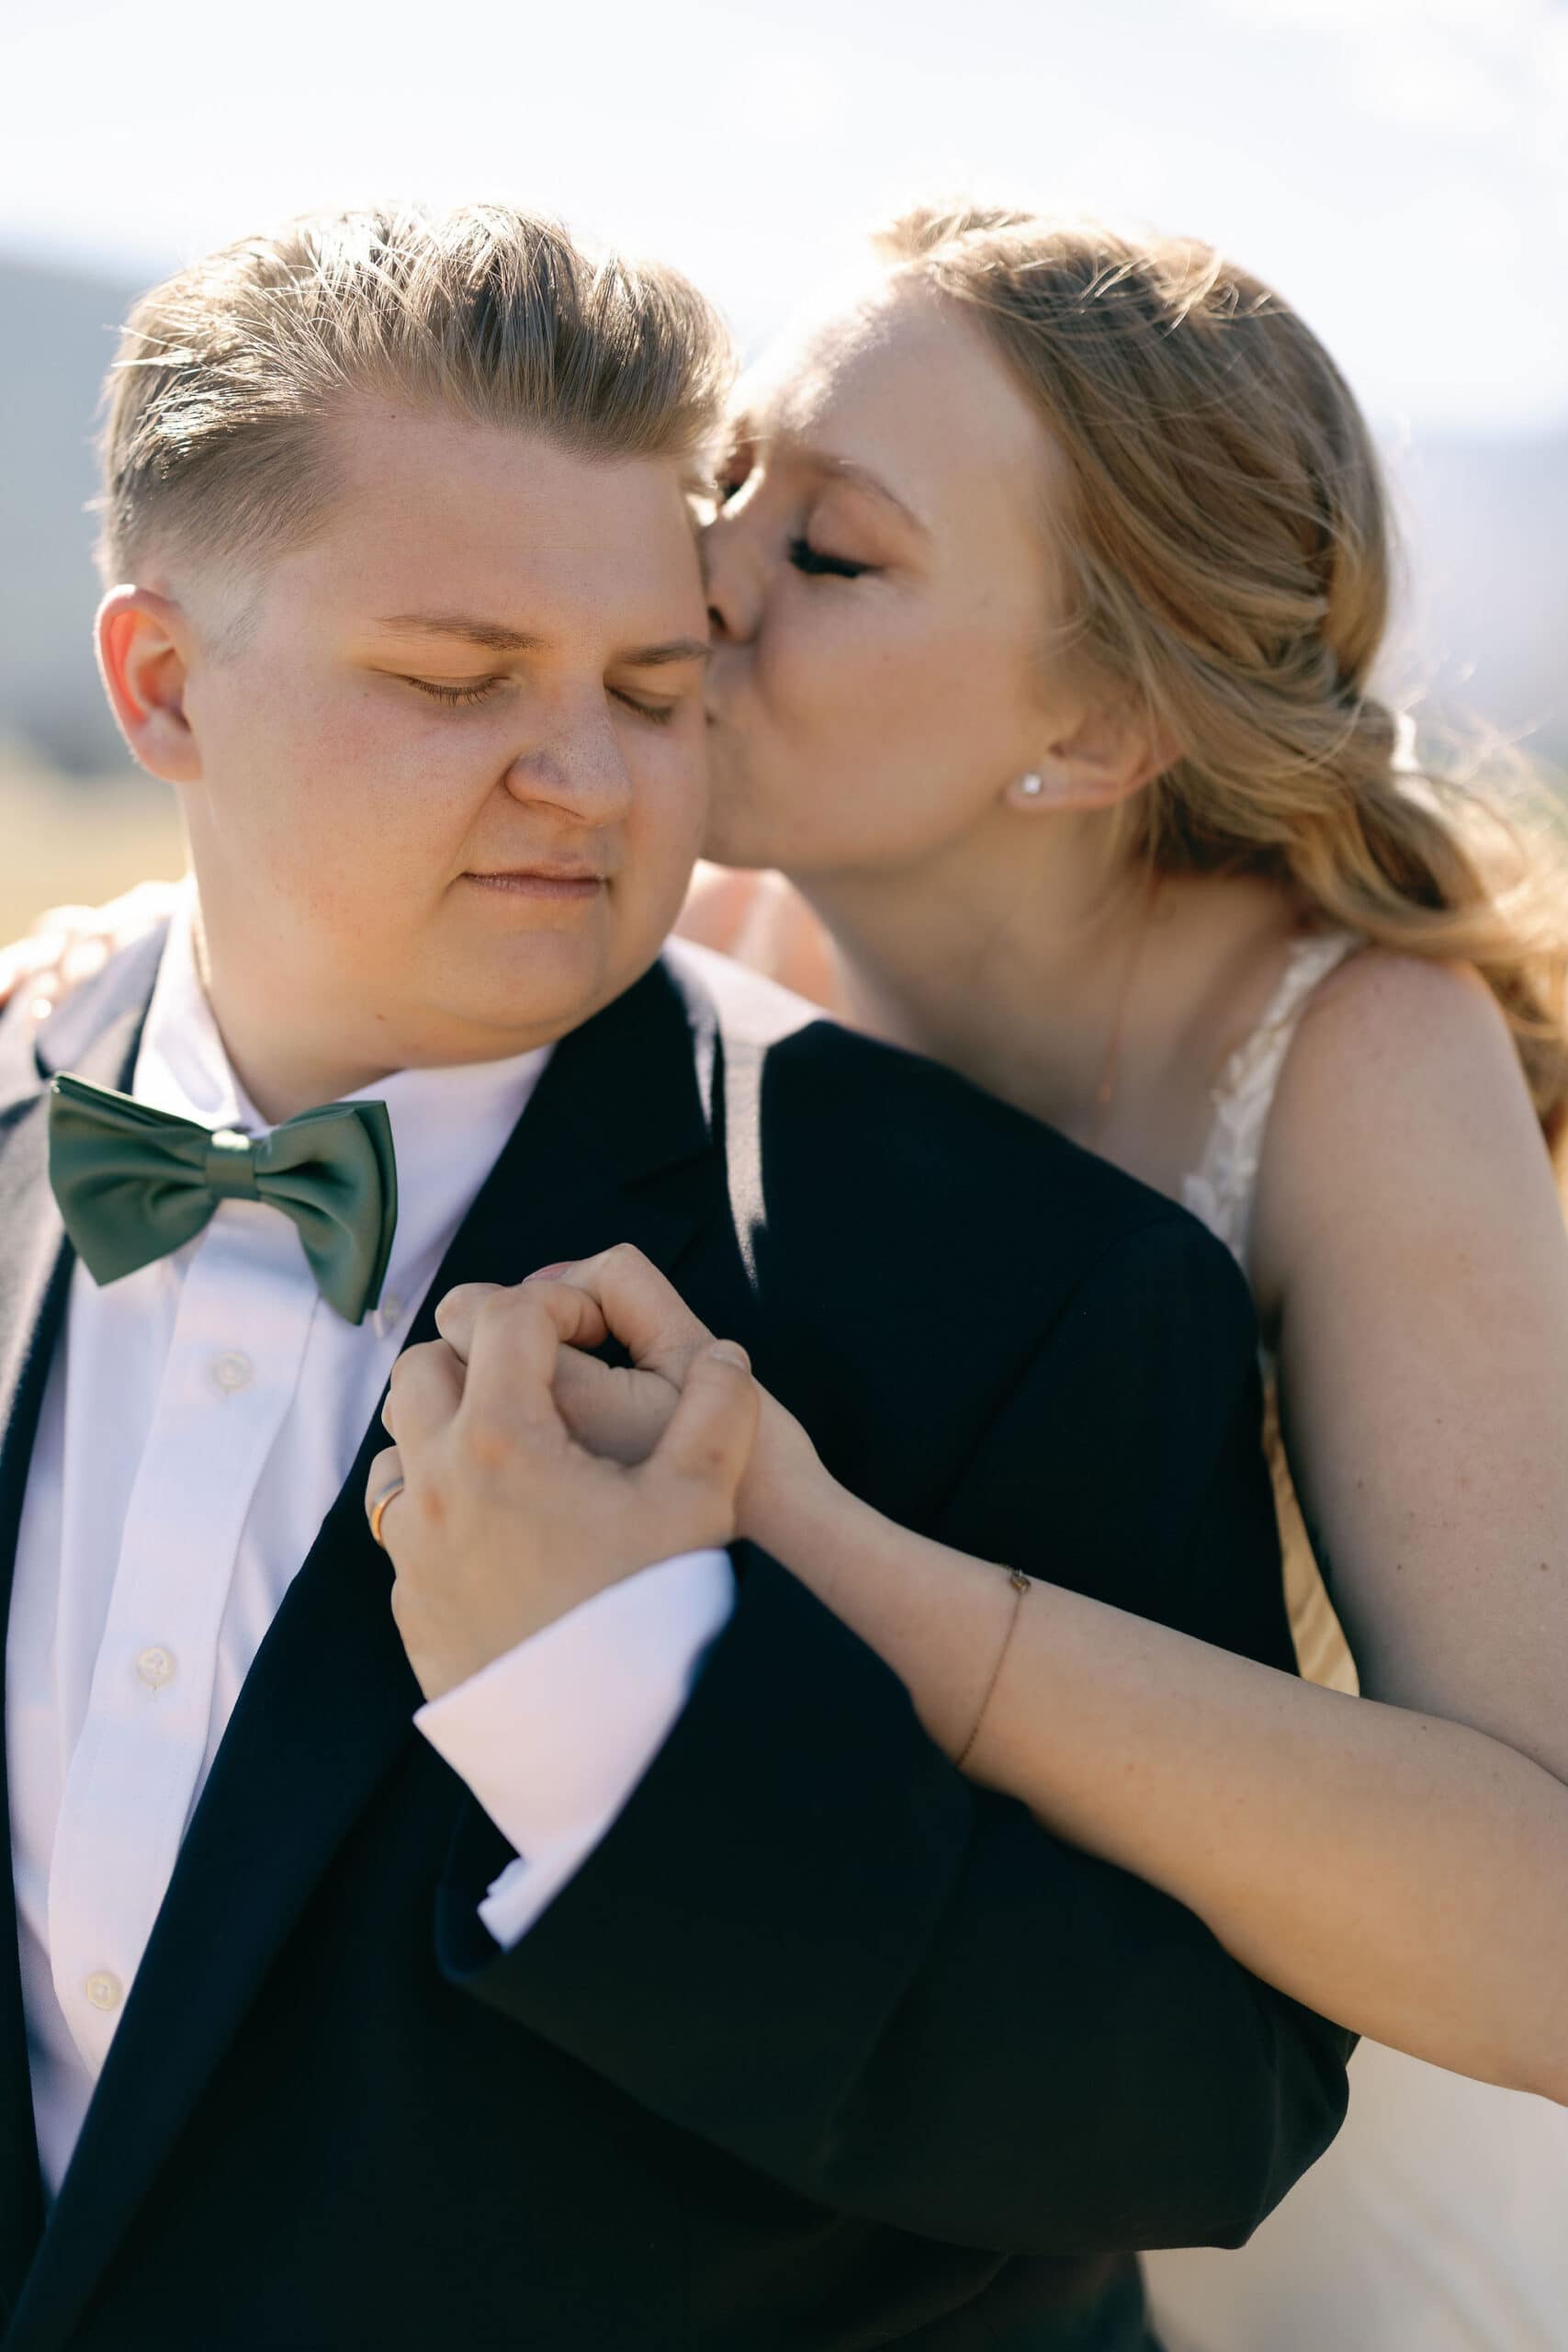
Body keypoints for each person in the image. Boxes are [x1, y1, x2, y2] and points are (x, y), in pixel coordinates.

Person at [0, 202, 1350, 2352]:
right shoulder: (16, 1122)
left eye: (653, 683)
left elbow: (1196, 2110)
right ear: (162, 682)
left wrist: (617, 1713)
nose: (592, 776)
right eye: (456, 680)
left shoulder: (1035, 1294)